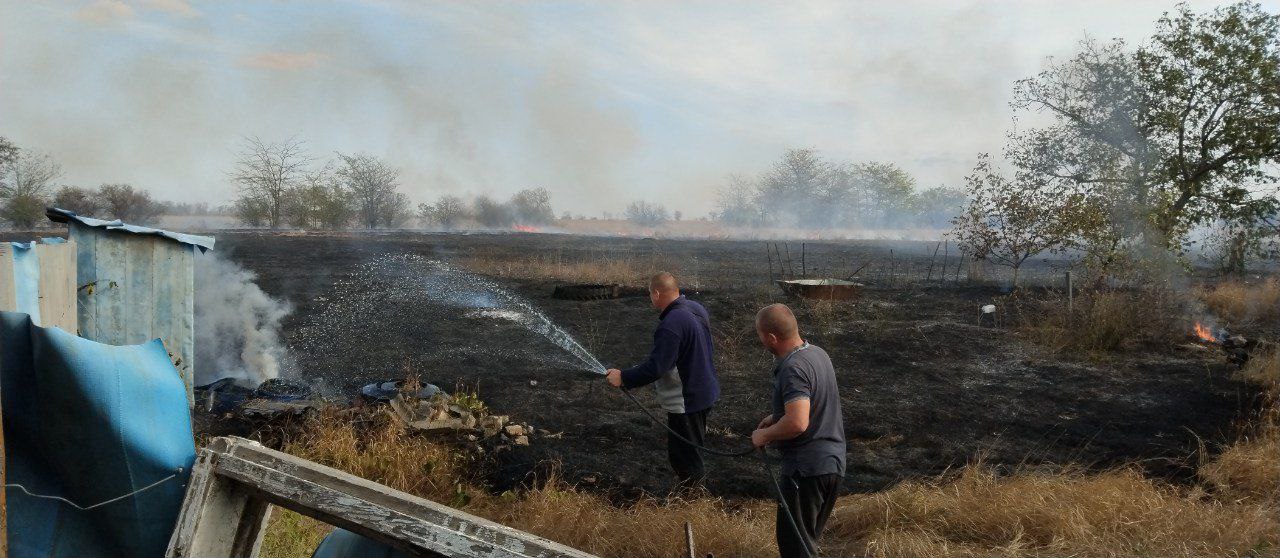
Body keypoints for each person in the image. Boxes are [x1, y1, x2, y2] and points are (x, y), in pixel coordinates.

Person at [606, 272, 719, 490]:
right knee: (691, 450)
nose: (650, 298)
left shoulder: (671, 324)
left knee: (685, 458)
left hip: (687, 400)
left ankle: (692, 503)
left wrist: (623, 377)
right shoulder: (695, 308)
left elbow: (656, 367)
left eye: (650, 294)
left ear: (656, 294)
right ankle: (691, 495)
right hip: (704, 391)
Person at [750, 303, 846, 558]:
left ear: (771, 337)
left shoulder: (793, 369)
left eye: (760, 335)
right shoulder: (817, 354)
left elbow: (797, 423)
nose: (760, 341)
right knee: (807, 543)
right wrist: (776, 417)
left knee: (796, 550)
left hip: (805, 472)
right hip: (832, 465)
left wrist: (764, 436)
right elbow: (811, 404)